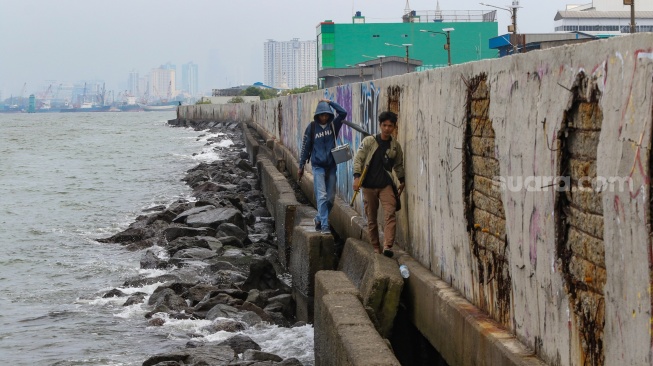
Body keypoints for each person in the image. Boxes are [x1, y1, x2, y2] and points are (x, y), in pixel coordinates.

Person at [352, 111, 405, 257]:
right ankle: (376, 246)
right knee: (371, 218)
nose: (387, 128)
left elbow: (399, 165)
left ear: (394, 127)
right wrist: (356, 177)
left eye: (390, 126)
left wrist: (402, 180)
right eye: (385, 125)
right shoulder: (369, 141)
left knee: (390, 213)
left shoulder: (395, 146)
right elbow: (358, 160)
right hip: (368, 185)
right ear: (380, 125)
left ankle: (387, 246)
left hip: (385, 185)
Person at [298, 99, 348, 234]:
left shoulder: (334, 125)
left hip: (331, 166)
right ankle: (325, 226)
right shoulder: (312, 127)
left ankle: (319, 218)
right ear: (317, 115)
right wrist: (301, 165)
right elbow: (305, 146)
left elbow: (343, 113)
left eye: (326, 115)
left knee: (330, 199)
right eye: (322, 115)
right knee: (321, 195)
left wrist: (330, 102)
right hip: (318, 166)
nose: (324, 117)